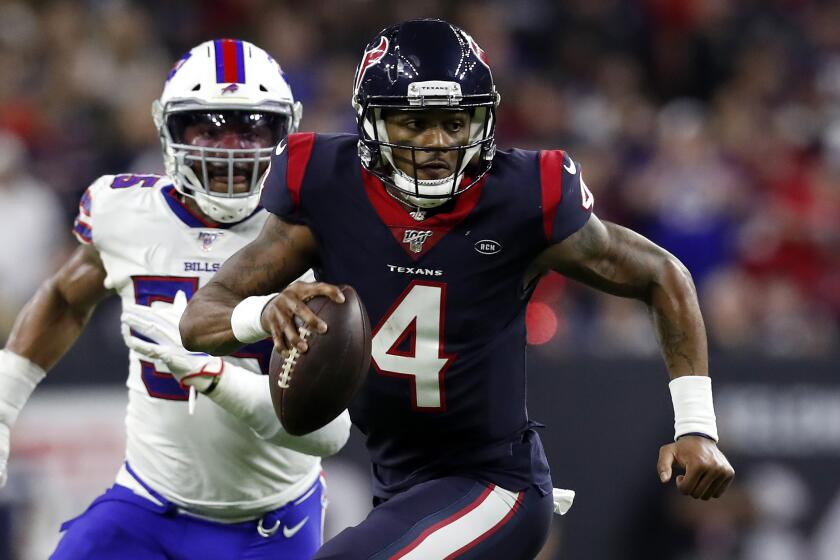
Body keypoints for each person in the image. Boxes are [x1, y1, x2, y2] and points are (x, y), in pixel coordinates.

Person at [180, 20, 735, 559]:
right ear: (370, 123)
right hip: (401, 487)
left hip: (494, 485)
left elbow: (663, 276)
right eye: (412, 124)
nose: (436, 143)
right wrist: (263, 313)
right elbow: (199, 319)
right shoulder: (323, 184)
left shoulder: (522, 197)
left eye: (454, 122)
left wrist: (697, 426)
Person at [0, 39, 350, 559]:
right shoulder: (124, 212)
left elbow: (325, 430)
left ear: (286, 132)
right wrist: (4, 403)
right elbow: (66, 299)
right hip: (145, 501)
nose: (230, 149)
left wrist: (213, 377)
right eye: (207, 128)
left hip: (269, 518)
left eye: (251, 128)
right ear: (167, 128)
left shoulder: (316, 230)